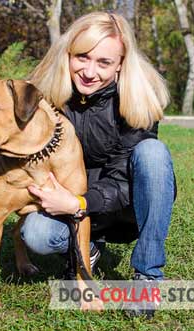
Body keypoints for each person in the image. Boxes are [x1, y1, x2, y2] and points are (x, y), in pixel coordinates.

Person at [22, 12, 176, 287]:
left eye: (104, 62)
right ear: (68, 53)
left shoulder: (137, 97)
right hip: (67, 205)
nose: (89, 72)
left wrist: (79, 203)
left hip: (122, 208)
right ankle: (86, 249)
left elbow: (123, 182)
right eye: (82, 57)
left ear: (120, 64)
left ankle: (148, 276)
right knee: (36, 233)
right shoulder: (43, 94)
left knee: (153, 154)